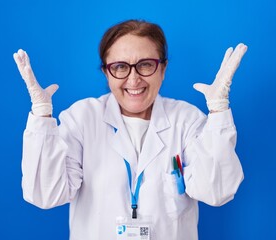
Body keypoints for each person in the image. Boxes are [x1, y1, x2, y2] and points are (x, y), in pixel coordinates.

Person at [13, 19, 247, 240]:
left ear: (162, 69)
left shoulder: (186, 120)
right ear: (106, 72)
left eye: (145, 65)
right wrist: (42, 115)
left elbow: (216, 191)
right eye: (120, 67)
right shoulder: (82, 119)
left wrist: (218, 112)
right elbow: (45, 195)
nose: (133, 79)